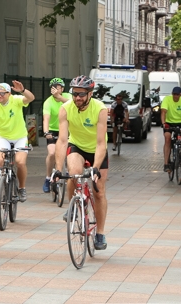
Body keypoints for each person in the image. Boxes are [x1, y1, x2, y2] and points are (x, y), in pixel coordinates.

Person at [53, 75, 109, 251]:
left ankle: (100, 233)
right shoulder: (65, 108)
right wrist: (57, 168)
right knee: (73, 174)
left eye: (82, 94)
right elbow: (62, 141)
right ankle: (74, 206)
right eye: (75, 93)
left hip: (96, 149)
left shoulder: (100, 109)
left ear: (90, 94)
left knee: (98, 190)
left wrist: (95, 168)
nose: (77, 98)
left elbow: (101, 143)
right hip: (76, 145)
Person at [0, 81, 35, 204]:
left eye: (2, 94)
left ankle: (22, 188)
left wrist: (23, 90)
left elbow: (31, 98)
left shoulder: (16, 100)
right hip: (4, 137)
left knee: (20, 162)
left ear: (9, 94)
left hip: (20, 137)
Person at [42, 77, 71, 193]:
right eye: (53, 87)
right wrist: (45, 132)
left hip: (67, 130)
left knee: (69, 153)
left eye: (57, 87)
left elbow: (72, 104)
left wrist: (59, 97)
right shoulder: (48, 102)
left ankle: (69, 175)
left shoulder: (67, 96)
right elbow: (46, 119)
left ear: (62, 89)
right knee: (52, 153)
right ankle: (48, 178)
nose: (55, 89)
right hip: (53, 130)